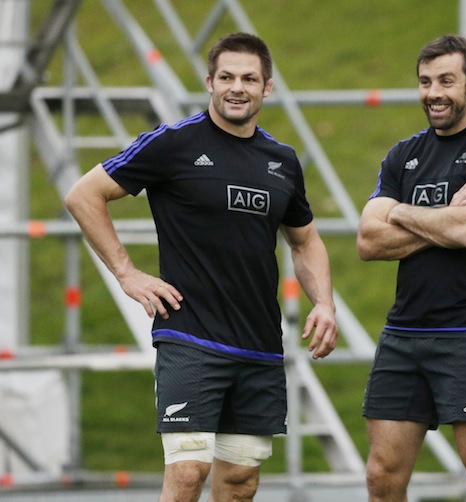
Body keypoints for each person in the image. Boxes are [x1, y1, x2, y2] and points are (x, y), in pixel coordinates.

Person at [64, 32, 338, 502]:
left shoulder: (282, 161)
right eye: (226, 77)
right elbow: (84, 195)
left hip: (258, 344)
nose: (237, 87)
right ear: (209, 82)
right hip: (190, 337)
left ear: (267, 87)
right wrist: (127, 272)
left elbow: (305, 239)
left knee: (240, 483)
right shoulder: (174, 143)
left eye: (249, 79)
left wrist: (325, 304)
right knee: (189, 471)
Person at [357, 34, 466, 501]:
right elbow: (368, 241)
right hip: (403, 335)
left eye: (446, 81)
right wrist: (445, 214)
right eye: (425, 81)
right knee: (381, 477)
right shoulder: (403, 154)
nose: (433, 93)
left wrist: (401, 211)